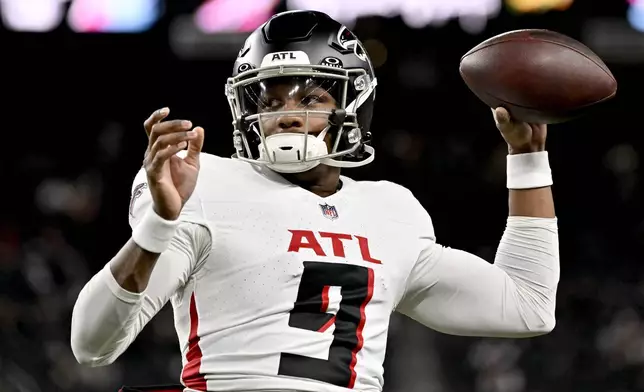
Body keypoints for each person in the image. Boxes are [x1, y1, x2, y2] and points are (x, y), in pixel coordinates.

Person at [70, 9, 560, 392]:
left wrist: (528, 157)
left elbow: (526, 307)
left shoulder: (391, 210)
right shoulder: (205, 183)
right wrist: (158, 224)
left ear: (351, 106)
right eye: (269, 100)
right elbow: (91, 343)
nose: (285, 116)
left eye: (309, 99)